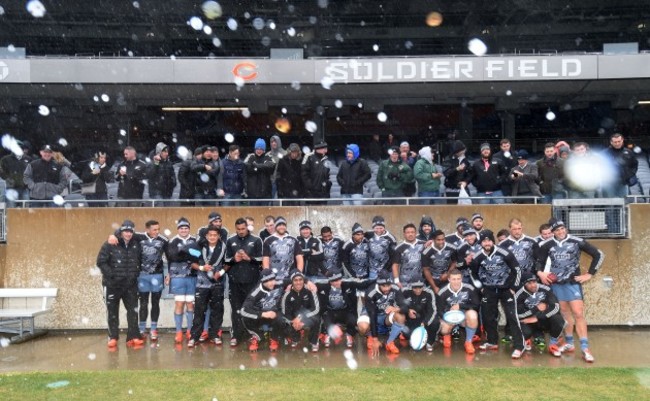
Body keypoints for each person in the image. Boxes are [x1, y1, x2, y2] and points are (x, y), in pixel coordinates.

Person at [536, 218, 604, 363]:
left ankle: (585, 348)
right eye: (556, 230)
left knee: (578, 313)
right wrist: (540, 273)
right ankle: (569, 343)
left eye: (562, 229)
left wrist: (589, 274)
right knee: (565, 314)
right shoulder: (547, 244)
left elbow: (598, 254)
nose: (560, 232)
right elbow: (538, 262)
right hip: (556, 284)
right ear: (552, 232)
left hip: (573, 283)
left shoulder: (577, 241)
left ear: (565, 228)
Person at [469, 230, 525, 359]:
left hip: (506, 289)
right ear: (481, 243)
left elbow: (516, 269)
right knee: (488, 316)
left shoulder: (504, 252)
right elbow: (472, 273)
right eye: (484, 241)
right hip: (489, 289)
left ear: (493, 241)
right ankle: (492, 341)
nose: (487, 243)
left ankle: (519, 346)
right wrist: (481, 288)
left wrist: (513, 287)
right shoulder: (478, 256)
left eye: (489, 240)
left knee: (512, 317)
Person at [96, 220, 144, 348]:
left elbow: (149, 235)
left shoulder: (137, 243)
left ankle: (133, 336)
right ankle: (113, 337)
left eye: (130, 231)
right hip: (112, 285)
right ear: (121, 232)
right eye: (125, 231)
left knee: (133, 311)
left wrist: (135, 273)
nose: (128, 234)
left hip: (130, 285)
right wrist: (112, 275)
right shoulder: (110, 243)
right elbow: (101, 261)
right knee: (112, 312)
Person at [225, 218, 263, 347]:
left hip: (252, 281)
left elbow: (262, 260)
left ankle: (252, 334)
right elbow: (225, 262)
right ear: (235, 229)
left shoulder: (256, 240)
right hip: (235, 282)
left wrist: (249, 259)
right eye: (238, 229)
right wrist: (234, 259)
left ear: (247, 227)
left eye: (243, 229)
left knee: (251, 308)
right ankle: (236, 335)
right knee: (236, 309)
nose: (241, 231)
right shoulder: (231, 240)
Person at [187, 226, 228, 347]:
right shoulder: (198, 246)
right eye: (210, 235)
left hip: (217, 283)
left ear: (219, 236)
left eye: (215, 235)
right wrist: (201, 267)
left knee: (217, 310)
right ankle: (195, 336)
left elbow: (229, 263)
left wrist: (220, 273)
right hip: (201, 284)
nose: (212, 237)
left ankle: (215, 335)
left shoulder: (224, 247)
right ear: (206, 236)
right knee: (199, 310)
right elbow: (191, 262)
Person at [315, 270, 372, 349]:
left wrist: (378, 280)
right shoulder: (323, 286)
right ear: (330, 281)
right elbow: (305, 284)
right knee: (326, 320)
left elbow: (363, 284)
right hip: (330, 311)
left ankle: (349, 334)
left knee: (353, 320)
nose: (338, 282)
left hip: (345, 311)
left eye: (339, 279)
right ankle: (327, 333)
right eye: (334, 281)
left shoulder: (348, 284)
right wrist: (307, 283)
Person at [515, 272, 566, 357]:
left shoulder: (546, 289)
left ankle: (553, 344)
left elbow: (556, 307)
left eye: (534, 282)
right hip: (529, 322)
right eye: (529, 283)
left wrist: (538, 317)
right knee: (522, 329)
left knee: (559, 320)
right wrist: (535, 309)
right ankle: (526, 340)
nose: (533, 285)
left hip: (544, 319)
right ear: (524, 284)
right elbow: (517, 314)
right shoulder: (519, 295)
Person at [132, 220, 168, 340]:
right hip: (142, 276)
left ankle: (153, 329)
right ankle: (142, 329)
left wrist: (170, 274)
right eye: (154, 230)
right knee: (143, 302)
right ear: (147, 229)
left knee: (155, 302)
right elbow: (121, 233)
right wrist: (112, 236)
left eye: (158, 229)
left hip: (157, 276)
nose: (157, 232)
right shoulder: (138, 237)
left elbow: (171, 255)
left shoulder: (163, 240)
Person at [165, 217, 198, 344]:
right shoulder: (172, 241)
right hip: (177, 277)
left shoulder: (195, 240)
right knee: (179, 304)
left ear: (189, 229)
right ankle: (179, 331)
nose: (184, 230)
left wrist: (183, 252)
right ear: (178, 229)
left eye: (186, 228)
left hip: (192, 276)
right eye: (181, 228)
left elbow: (198, 255)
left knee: (190, 304)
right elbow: (172, 257)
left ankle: (190, 330)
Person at [240, 269, 285, 352]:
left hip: (274, 313)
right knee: (246, 318)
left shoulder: (278, 283)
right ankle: (256, 336)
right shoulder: (255, 293)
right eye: (268, 281)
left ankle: (274, 338)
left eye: (273, 279)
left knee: (281, 318)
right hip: (260, 315)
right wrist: (262, 314)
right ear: (263, 282)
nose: (272, 283)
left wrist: (308, 282)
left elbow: (291, 280)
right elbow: (243, 311)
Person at [437, 268, 480, 354]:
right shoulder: (442, 292)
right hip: (448, 317)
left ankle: (468, 342)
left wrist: (460, 306)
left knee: (473, 315)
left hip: (463, 317)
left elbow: (476, 305)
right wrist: (449, 319)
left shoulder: (469, 288)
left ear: (462, 278)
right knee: (444, 328)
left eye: (458, 279)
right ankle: (447, 335)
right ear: (449, 279)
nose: (456, 282)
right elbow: (439, 310)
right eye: (453, 279)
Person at [366, 270, 409, 354]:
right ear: (378, 284)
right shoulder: (370, 292)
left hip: (385, 316)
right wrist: (375, 338)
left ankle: (389, 342)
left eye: (388, 285)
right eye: (383, 286)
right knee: (362, 326)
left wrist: (396, 309)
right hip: (372, 314)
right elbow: (372, 315)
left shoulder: (395, 288)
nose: (387, 288)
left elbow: (405, 307)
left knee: (401, 317)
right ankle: (370, 336)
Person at [281, 271, 321, 351]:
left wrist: (301, 318)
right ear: (292, 282)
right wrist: (294, 322)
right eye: (295, 280)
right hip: (294, 320)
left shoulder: (310, 291)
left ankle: (313, 342)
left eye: (300, 279)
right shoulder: (287, 295)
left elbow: (316, 309)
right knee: (282, 321)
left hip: (306, 317)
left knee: (317, 319)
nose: (298, 282)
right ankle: (295, 338)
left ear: (303, 281)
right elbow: (285, 313)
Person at [262, 216, 304, 284]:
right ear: (275, 226)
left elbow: (299, 258)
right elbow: (265, 260)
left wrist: (298, 274)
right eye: (279, 225)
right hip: (274, 277)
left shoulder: (293, 240)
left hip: (290, 277)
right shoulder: (268, 240)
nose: (281, 227)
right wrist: (267, 276)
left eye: (283, 225)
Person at [402, 280, 439, 352]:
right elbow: (396, 305)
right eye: (415, 288)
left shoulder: (429, 292)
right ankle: (412, 339)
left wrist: (425, 322)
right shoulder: (404, 291)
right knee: (407, 334)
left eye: (420, 288)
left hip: (424, 318)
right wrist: (407, 311)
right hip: (410, 319)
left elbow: (432, 310)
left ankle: (430, 342)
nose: (418, 290)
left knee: (435, 322)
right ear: (411, 287)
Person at [421, 229, 458, 294]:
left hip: (446, 278)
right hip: (432, 279)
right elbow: (426, 270)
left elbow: (454, 262)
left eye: (443, 239)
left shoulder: (452, 248)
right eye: (438, 240)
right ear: (433, 240)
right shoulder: (426, 252)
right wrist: (434, 287)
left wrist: (448, 274)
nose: (441, 242)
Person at [603, 132, 638, 198]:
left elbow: (634, 165)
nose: (617, 143)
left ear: (622, 140)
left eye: (619, 141)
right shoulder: (604, 153)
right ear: (611, 142)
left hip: (623, 182)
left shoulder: (629, 152)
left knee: (623, 202)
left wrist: (629, 175)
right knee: (610, 204)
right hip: (608, 183)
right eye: (615, 142)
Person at [391, 223, 425, 288]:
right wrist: (396, 280)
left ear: (416, 233)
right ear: (404, 234)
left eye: (412, 232)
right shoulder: (399, 248)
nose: (410, 234)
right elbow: (395, 265)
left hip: (420, 280)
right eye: (408, 232)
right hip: (405, 281)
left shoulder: (423, 244)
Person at [244, 138, 276, 206]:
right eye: (257, 148)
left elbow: (272, 166)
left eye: (261, 149)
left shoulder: (268, 157)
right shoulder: (250, 157)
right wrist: (263, 166)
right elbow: (247, 167)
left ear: (264, 150)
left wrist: (257, 166)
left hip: (265, 193)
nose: (259, 150)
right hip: (252, 193)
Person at [0, 140, 32, 207]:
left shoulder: (28, 159)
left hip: (24, 189)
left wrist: (28, 182)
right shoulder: (5, 159)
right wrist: (9, 179)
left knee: (26, 210)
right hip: (11, 189)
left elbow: (32, 172)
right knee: (11, 210)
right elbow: (1, 171)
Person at [365, 216, 396, 281]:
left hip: (386, 270)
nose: (379, 230)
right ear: (373, 228)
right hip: (372, 270)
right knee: (372, 287)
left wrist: (385, 268)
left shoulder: (391, 238)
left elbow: (393, 256)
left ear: (384, 227)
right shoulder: (368, 235)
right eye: (376, 228)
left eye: (381, 228)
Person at [266, 134, 287, 200]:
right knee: (270, 201)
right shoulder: (268, 155)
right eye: (272, 142)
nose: (274, 143)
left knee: (281, 201)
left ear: (278, 142)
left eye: (275, 141)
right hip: (270, 182)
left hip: (282, 182)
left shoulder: (285, 154)